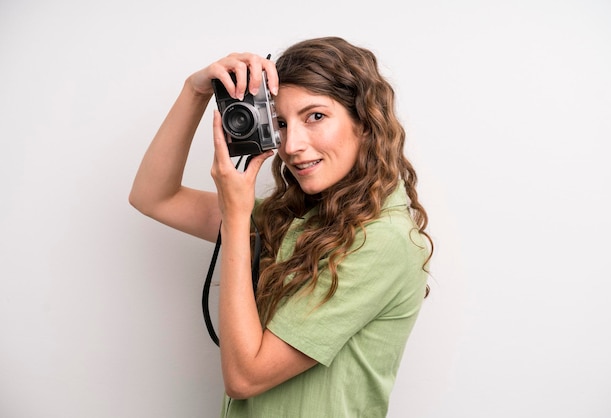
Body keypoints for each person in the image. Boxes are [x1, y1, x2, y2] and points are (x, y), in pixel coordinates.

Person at [129, 36, 433, 418]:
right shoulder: (302, 220)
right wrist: (194, 91)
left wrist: (237, 219)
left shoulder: (380, 239)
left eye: (315, 117)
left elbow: (244, 378)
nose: (292, 145)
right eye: (281, 124)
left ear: (366, 124)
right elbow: (154, 197)